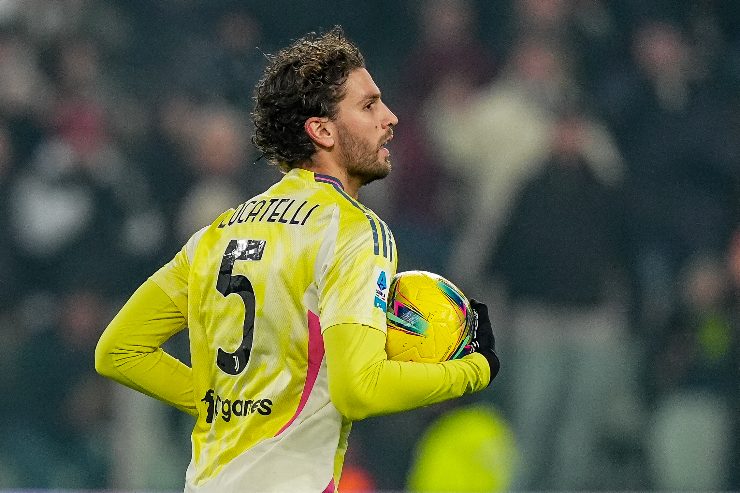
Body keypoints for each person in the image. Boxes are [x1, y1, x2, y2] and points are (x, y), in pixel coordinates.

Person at [95, 26, 499, 492]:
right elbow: (357, 388)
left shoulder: (218, 231)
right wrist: (472, 371)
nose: (390, 118)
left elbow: (118, 351)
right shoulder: (355, 230)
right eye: (368, 105)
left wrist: (224, 403)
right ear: (322, 130)